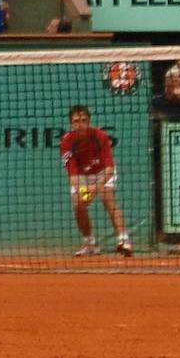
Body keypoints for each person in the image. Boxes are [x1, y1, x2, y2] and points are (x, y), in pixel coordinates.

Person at [58, 104, 131, 255]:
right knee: (78, 204)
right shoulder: (66, 142)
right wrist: (84, 191)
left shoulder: (100, 136)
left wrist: (95, 187)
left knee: (107, 197)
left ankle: (124, 240)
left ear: (89, 121)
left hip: (102, 172)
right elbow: (72, 175)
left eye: (84, 120)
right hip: (81, 176)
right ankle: (90, 243)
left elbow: (110, 169)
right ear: (71, 124)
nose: (80, 124)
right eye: (76, 121)